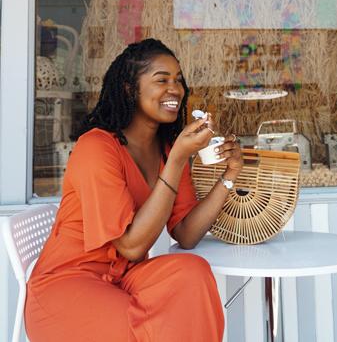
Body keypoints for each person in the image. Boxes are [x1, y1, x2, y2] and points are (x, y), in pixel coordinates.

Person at [25, 38, 243, 342]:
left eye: (178, 80)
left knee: (192, 272)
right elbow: (130, 246)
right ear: (129, 88)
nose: (175, 89)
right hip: (69, 283)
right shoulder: (96, 147)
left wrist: (228, 177)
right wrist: (179, 158)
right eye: (161, 80)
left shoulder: (166, 150)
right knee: (143, 329)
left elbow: (186, 233)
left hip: (125, 279)